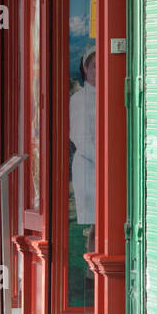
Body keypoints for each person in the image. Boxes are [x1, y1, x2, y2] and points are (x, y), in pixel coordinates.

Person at [68, 44, 97, 250]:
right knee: (93, 222)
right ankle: (90, 272)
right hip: (88, 167)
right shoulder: (78, 99)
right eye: (94, 66)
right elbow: (79, 137)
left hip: (101, 165)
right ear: (85, 69)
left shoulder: (108, 94)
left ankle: (92, 274)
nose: (97, 71)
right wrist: (103, 159)